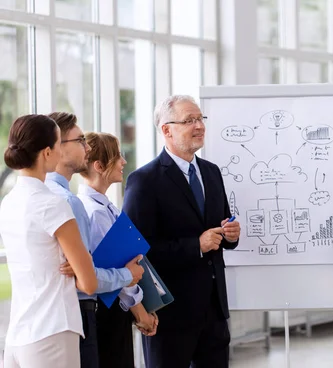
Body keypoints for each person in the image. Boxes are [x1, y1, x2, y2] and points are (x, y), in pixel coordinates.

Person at [122, 95, 241, 368]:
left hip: (213, 312)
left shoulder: (211, 173)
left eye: (200, 119)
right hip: (170, 314)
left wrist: (231, 235)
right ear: (167, 129)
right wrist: (196, 245)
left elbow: (220, 230)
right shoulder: (144, 181)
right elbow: (138, 251)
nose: (199, 125)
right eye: (190, 120)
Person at [45, 112, 144, 368]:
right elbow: (88, 278)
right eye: (79, 141)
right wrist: (126, 278)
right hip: (91, 311)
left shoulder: (95, 205)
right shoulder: (76, 205)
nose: (86, 149)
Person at [0, 114, 97, 368]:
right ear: (47, 153)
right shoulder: (54, 204)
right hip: (53, 332)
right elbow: (88, 283)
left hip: (18, 335)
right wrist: (77, 266)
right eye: (57, 144)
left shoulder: (8, 202)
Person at [77, 132, 158, 368]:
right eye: (118, 156)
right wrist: (141, 314)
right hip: (108, 311)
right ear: (99, 165)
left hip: (113, 309)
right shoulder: (96, 212)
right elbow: (115, 272)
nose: (123, 161)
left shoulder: (105, 206)